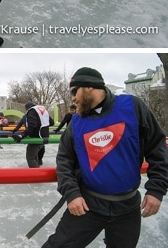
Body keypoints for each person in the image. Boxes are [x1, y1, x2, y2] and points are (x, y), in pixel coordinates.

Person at [41, 67, 168, 248]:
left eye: (74, 91)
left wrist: (156, 190)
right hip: (87, 205)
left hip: (128, 208)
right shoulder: (76, 122)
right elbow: (64, 161)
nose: (72, 98)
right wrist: (72, 194)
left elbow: (157, 147)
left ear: (89, 87)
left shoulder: (132, 106)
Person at [11, 101, 52, 168]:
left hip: (36, 137)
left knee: (30, 157)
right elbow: (51, 122)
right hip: (45, 137)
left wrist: (21, 135)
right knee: (36, 154)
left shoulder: (31, 111)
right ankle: (38, 168)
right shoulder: (43, 110)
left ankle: (36, 175)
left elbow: (32, 127)